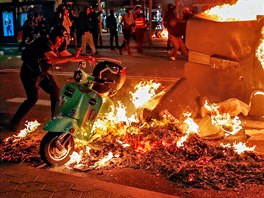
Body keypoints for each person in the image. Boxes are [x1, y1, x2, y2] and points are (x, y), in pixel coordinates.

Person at [8, 26, 88, 131]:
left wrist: (84, 58)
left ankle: (55, 119)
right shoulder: (43, 43)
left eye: (63, 38)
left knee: (55, 90)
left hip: (41, 73)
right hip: (29, 72)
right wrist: (74, 57)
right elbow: (55, 59)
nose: (62, 40)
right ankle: (14, 123)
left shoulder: (58, 45)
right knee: (32, 98)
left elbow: (67, 56)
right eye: (60, 37)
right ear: (54, 36)